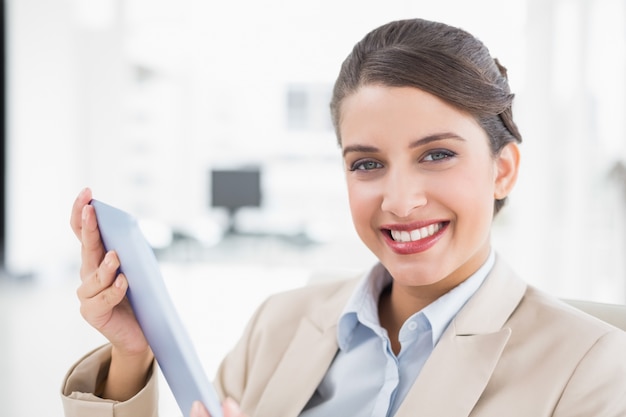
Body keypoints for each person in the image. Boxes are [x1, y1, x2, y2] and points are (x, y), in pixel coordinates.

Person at [62, 18, 626, 417]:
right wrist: (132, 354)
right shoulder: (277, 326)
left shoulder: (592, 366)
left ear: (503, 170)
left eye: (437, 154)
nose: (400, 201)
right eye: (368, 163)